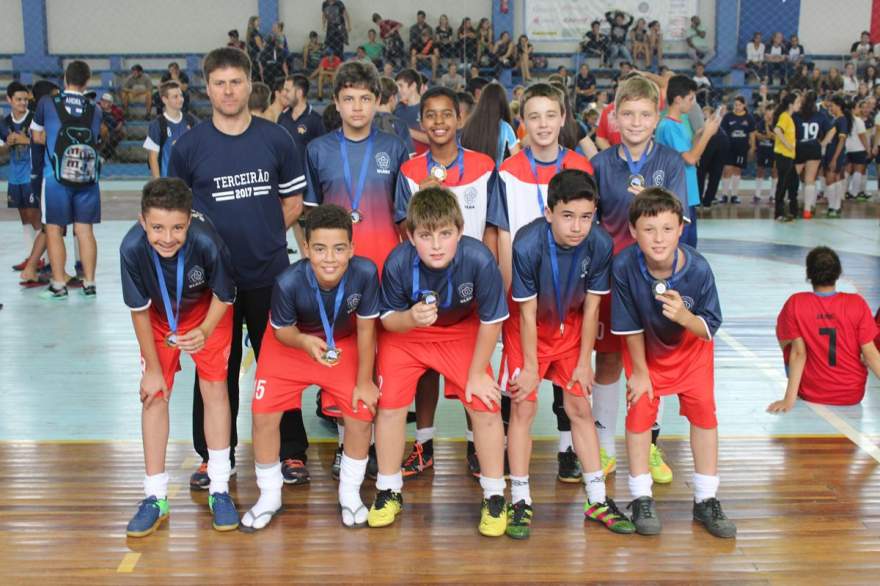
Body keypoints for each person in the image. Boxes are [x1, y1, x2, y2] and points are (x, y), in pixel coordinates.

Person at [167, 47, 311, 489]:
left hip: (269, 274)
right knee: (215, 369)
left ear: (250, 84)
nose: (228, 91)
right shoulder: (189, 147)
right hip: (212, 284)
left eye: (235, 81)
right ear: (207, 89)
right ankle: (215, 456)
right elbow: (177, 214)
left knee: (279, 363)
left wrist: (267, 234)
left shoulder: (276, 140)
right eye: (219, 83)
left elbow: (293, 203)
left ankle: (291, 452)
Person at [367, 187, 509, 537]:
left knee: (486, 404)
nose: (436, 245)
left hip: (460, 331)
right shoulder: (399, 262)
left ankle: (495, 495)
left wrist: (477, 373)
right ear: (411, 236)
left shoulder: (479, 259)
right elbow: (388, 320)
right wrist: (411, 319)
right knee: (389, 407)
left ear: (460, 232)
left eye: (445, 234)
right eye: (426, 235)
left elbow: (492, 320)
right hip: (408, 334)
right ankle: (388, 488)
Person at [502, 169, 635, 539]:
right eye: (568, 216)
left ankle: (597, 497)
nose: (577, 226)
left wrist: (582, 362)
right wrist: (529, 367)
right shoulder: (527, 244)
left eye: (586, 217)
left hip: (572, 328)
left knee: (579, 408)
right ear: (549, 212)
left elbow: (592, 309)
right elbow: (526, 314)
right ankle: (520, 499)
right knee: (523, 408)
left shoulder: (601, 245)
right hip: (527, 331)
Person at [242, 204, 381, 530]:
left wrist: (364, 381)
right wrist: (305, 343)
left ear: (352, 248)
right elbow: (281, 330)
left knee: (361, 411)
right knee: (262, 414)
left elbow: (366, 329)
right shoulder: (288, 281)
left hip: (341, 343)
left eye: (338, 249)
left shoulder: (365, 273)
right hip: (291, 344)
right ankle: (269, 495)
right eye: (319, 249)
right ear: (305, 248)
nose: (329, 258)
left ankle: (350, 493)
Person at [394, 87, 506, 477]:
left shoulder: (484, 165)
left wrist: (489, 273)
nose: (439, 122)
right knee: (424, 368)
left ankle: (478, 446)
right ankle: (422, 444)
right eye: (431, 115)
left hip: (471, 286)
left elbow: (493, 225)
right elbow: (401, 229)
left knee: (474, 368)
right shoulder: (409, 171)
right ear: (421, 122)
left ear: (460, 119)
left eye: (446, 114)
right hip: (424, 286)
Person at [612, 188, 735, 539]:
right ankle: (640, 497)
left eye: (667, 229)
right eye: (649, 229)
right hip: (646, 352)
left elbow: (708, 328)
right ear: (633, 231)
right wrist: (639, 372)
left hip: (692, 350)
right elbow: (628, 325)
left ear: (681, 228)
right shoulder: (624, 266)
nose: (658, 238)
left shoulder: (698, 268)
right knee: (639, 414)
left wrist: (684, 316)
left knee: (704, 416)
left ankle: (706, 497)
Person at [121, 177, 237, 537]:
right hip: (157, 318)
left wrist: (204, 330)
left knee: (215, 389)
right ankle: (155, 496)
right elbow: (138, 310)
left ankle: (219, 487)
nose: (167, 237)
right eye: (157, 227)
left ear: (189, 221)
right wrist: (153, 369)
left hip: (208, 314)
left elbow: (225, 294)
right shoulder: (131, 248)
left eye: (176, 228)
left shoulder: (207, 241)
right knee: (154, 395)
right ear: (143, 222)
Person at [588, 75, 689, 485]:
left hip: (655, 279)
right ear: (613, 117)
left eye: (644, 114)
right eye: (627, 114)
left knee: (652, 363)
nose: (635, 122)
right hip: (612, 279)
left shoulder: (671, 162)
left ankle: (648, 443)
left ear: (656, 117)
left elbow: (681, 222)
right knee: (609, 360)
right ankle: (603, 447)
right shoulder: (598, 165)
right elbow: (588, 225)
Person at [495, 83, 594, 482]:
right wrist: (509, 292)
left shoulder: (581, 167)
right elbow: (502, 235)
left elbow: (589, 231)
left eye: (550, 115)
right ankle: (516, 480)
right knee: (523, 391)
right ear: (522, 123)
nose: (543, 124)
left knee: (570, 388)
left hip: (569, 299)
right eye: (533, 116)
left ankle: (569, 451)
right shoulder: (507, 172)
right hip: (525, 299)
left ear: (564, 119)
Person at [305, 61, 409, 273]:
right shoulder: (317, 150)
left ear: (377, 100)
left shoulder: (394, 147)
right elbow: (311, 211)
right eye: (349, 99)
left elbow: (405, 213)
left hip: (386, 258)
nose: (358, 107)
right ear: (336, 101)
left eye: (365, 99)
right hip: (335, 262)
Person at [768, 246, 880, 413]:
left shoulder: (796, 303)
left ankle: (797, 386)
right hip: (851, 394)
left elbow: (799, 353)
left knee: (785, 331)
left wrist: (788, 400)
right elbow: (871, 354)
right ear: (838, 273)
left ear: (808, 274)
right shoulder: (857, 303)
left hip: (812, 392)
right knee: (858, 342)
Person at [30, 60, 102, 299]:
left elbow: (37, 135)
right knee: (85, 230)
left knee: (54, 229)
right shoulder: (96, 108)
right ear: (87, 82)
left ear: (64, 79)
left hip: (56, 177)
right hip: (87, 177)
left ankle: (59, 283)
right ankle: (89, 282)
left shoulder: (47, 103)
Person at [655, 75, 722, 246]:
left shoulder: (678, 123)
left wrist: (701, 133)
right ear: (678, 99)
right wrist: (707, 134)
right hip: (678, 196)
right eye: (690, 98)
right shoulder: (668, 126)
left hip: (687, 195)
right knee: (682, 248)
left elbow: (689, 148)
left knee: (690, 247)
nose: (693, 103)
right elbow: (691, 158)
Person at [1, 81, 39, 268]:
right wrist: (8, 143)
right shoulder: (5, 123)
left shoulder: (34, 119)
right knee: (24, 216)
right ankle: (30, 257)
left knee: (35, 216)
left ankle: (44, 260)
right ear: (9, 100)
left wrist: (24, 139)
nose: (23, 103)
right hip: (15, 175)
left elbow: (43, 142)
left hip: (31, 175)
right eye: (18, 99)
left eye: (25, 99)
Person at [144, 81, 198, 178]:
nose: (180, 99)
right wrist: (158, 184)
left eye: (181, 95)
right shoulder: (157, 125)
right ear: (165, 99)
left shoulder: (191, 120)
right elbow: (153, 158)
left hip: (190, 182)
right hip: (168, 183)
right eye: (175, 97)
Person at [792, 92, 833, 218]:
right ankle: (807, 210)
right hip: (814, 148)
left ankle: (792, 205)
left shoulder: (796, 115)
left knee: (793, 177)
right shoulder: (820, 115)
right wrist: (824, 143)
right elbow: (832, 129)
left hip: (799, 147)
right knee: (810, 180)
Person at [460, 82, 519, 168]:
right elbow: (517, 160)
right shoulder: (506, 128)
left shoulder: (469, 125)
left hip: (472, 178)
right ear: (503, 103)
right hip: (498, 179)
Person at [719, 97, 756, 204]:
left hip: (742, 148)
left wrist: (752, 147)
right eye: (735, 105)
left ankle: (735, 195)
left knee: (737, 170)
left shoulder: (749, 118)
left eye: (739, 105)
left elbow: (752, 134)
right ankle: (725, 195)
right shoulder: (728, 117)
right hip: (729, 148)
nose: (737, 107)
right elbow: (723, 132)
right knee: (727, 170)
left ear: (744, 105)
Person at [277, 74, 325, 155]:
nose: (284, 94)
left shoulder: (315, 120)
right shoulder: (282, 117)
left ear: (299, 93)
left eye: (287, 90)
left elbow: (323, 151)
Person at [772, 92, 801, 221]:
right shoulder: (785, 117)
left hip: (789, 156)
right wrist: (788, 145)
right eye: (797, 102)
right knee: (782, 184)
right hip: (783, 155)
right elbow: (777, 130)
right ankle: (779, 212)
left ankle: (791, 211)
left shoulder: (789, 118)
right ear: (791, 105)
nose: (799, 105)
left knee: (792, 182)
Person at [823, 95, 850, 218]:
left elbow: (842, 140)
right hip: (830, 152)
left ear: (838, 106)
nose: (830, 108)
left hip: (835, 153)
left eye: (832, 106)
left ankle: (833, 206)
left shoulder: (842, 120)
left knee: (831, 178)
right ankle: (835, 206)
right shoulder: (835, 119)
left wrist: (834, 158)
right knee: (834, 179)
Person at [394, 68, 429, 155]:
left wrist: (406, 130)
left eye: (401, 86)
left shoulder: (428, 108)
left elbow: (433, 139)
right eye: (397, 87)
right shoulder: (398, 109)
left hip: (425, 162)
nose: (398, 90)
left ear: (413, 86)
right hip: (403, 161)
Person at [753, 107, 776, 203]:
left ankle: (773, 194)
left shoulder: (777, 124)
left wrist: (767, 131)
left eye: (770, 113)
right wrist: (766, 136)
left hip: (773, 151)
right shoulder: (760, 123)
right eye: (766, 113)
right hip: (762, 150)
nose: (768, 115)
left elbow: (774, 137)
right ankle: (757, 194)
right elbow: (757, 135)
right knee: (760, 170)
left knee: (775, 172)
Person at [97, 93, 125, 159]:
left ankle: (104, 156)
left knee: (120, 134)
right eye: (102, 100)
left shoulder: (116, 111)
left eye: (106, 101)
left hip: (113, 130)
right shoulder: (96, 108)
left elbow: (120, 121)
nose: (103, 102)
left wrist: (120, 123)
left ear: (110, 104)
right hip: (100, 129)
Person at [246, 16, 265, 80]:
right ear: (253, 22)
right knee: (259, 74)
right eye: (258, 21)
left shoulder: (250, 32)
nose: (259, 22)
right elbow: (260, 46)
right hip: (257, 57)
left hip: (252, 56)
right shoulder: (255, 33)